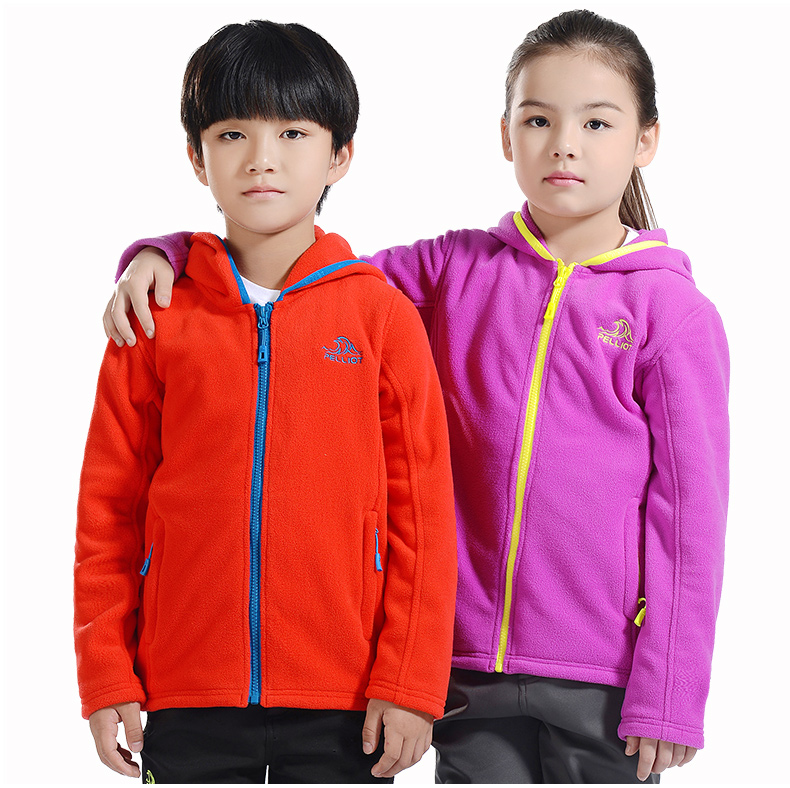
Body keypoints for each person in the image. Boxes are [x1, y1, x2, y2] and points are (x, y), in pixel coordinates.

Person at [105, 10, 729, 784]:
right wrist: (164, 254)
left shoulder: (672, 314)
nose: (564, 144)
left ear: (646, 141)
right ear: (506, 136)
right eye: (538, 119)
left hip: (602, 674)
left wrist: (671, 694)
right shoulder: (451, 271)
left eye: (597, 123)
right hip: (465, 674)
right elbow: (297, 280)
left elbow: (691, 520)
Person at [74, 20, 457, 785]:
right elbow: (107, 510)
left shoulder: (380, 318)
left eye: (292, 132)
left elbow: (422, 515)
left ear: (339, 155)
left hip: (346, 698)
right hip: (185, 691)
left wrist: (411, 683)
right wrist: (106, 673)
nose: (261, 158)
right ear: (197, 157)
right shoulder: (154, 317)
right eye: (232, 134)